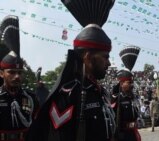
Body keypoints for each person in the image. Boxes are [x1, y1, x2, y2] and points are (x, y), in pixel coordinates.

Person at [25, 0, 116, 141]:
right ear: (87, 57)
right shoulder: (69, 93)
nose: (109, 63)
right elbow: (57, 136)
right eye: (105, 57)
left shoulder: (100, 92)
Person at [0, 15, 40, 141]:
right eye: (11, 72)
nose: (17, 76)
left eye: (19, 72)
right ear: (2, 73)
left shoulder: (31, 98)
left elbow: (38, 126)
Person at [111, 46, 141, 141]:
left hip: (133, 133)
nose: (132, 85)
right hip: (122, 135)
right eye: (129, 82)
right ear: (121, 83)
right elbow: (114, 120)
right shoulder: (117, 98)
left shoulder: (133, 97)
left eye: (132, 82)